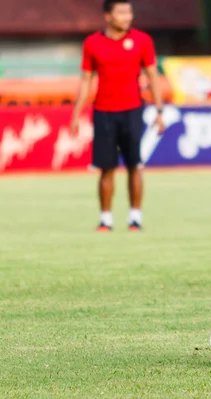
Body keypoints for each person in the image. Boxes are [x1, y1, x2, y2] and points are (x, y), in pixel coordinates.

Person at [70, 0, 165, 232]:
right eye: (121, 12)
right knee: (106, 167)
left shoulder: (143, 40)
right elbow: (86, 80)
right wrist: (76, 113)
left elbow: (153, 77)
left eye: (129, 12)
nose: (127, 17)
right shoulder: (92, 43)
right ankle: (106, 219)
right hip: (103, 112)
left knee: (135, 165)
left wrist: (159, 111)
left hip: (133, 110)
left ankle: (135, 217)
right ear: (108, 16)